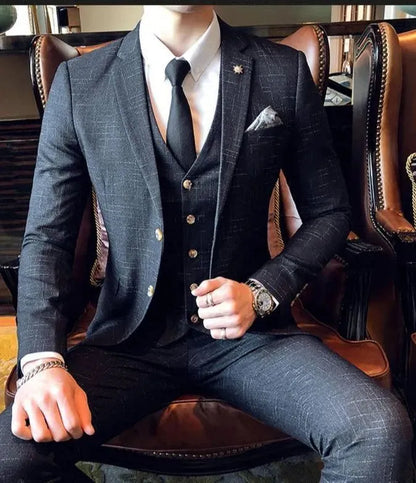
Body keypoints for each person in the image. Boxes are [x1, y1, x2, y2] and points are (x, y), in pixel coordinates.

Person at [0, 5, 412, 482]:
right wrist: (42, 361)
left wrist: (263, 291)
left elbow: (330, 212)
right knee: (10, 458)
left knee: (378, 431)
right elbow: (47, 238)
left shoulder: (282, 70)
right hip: (128, 341)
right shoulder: (80, 84)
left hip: (251, 339)